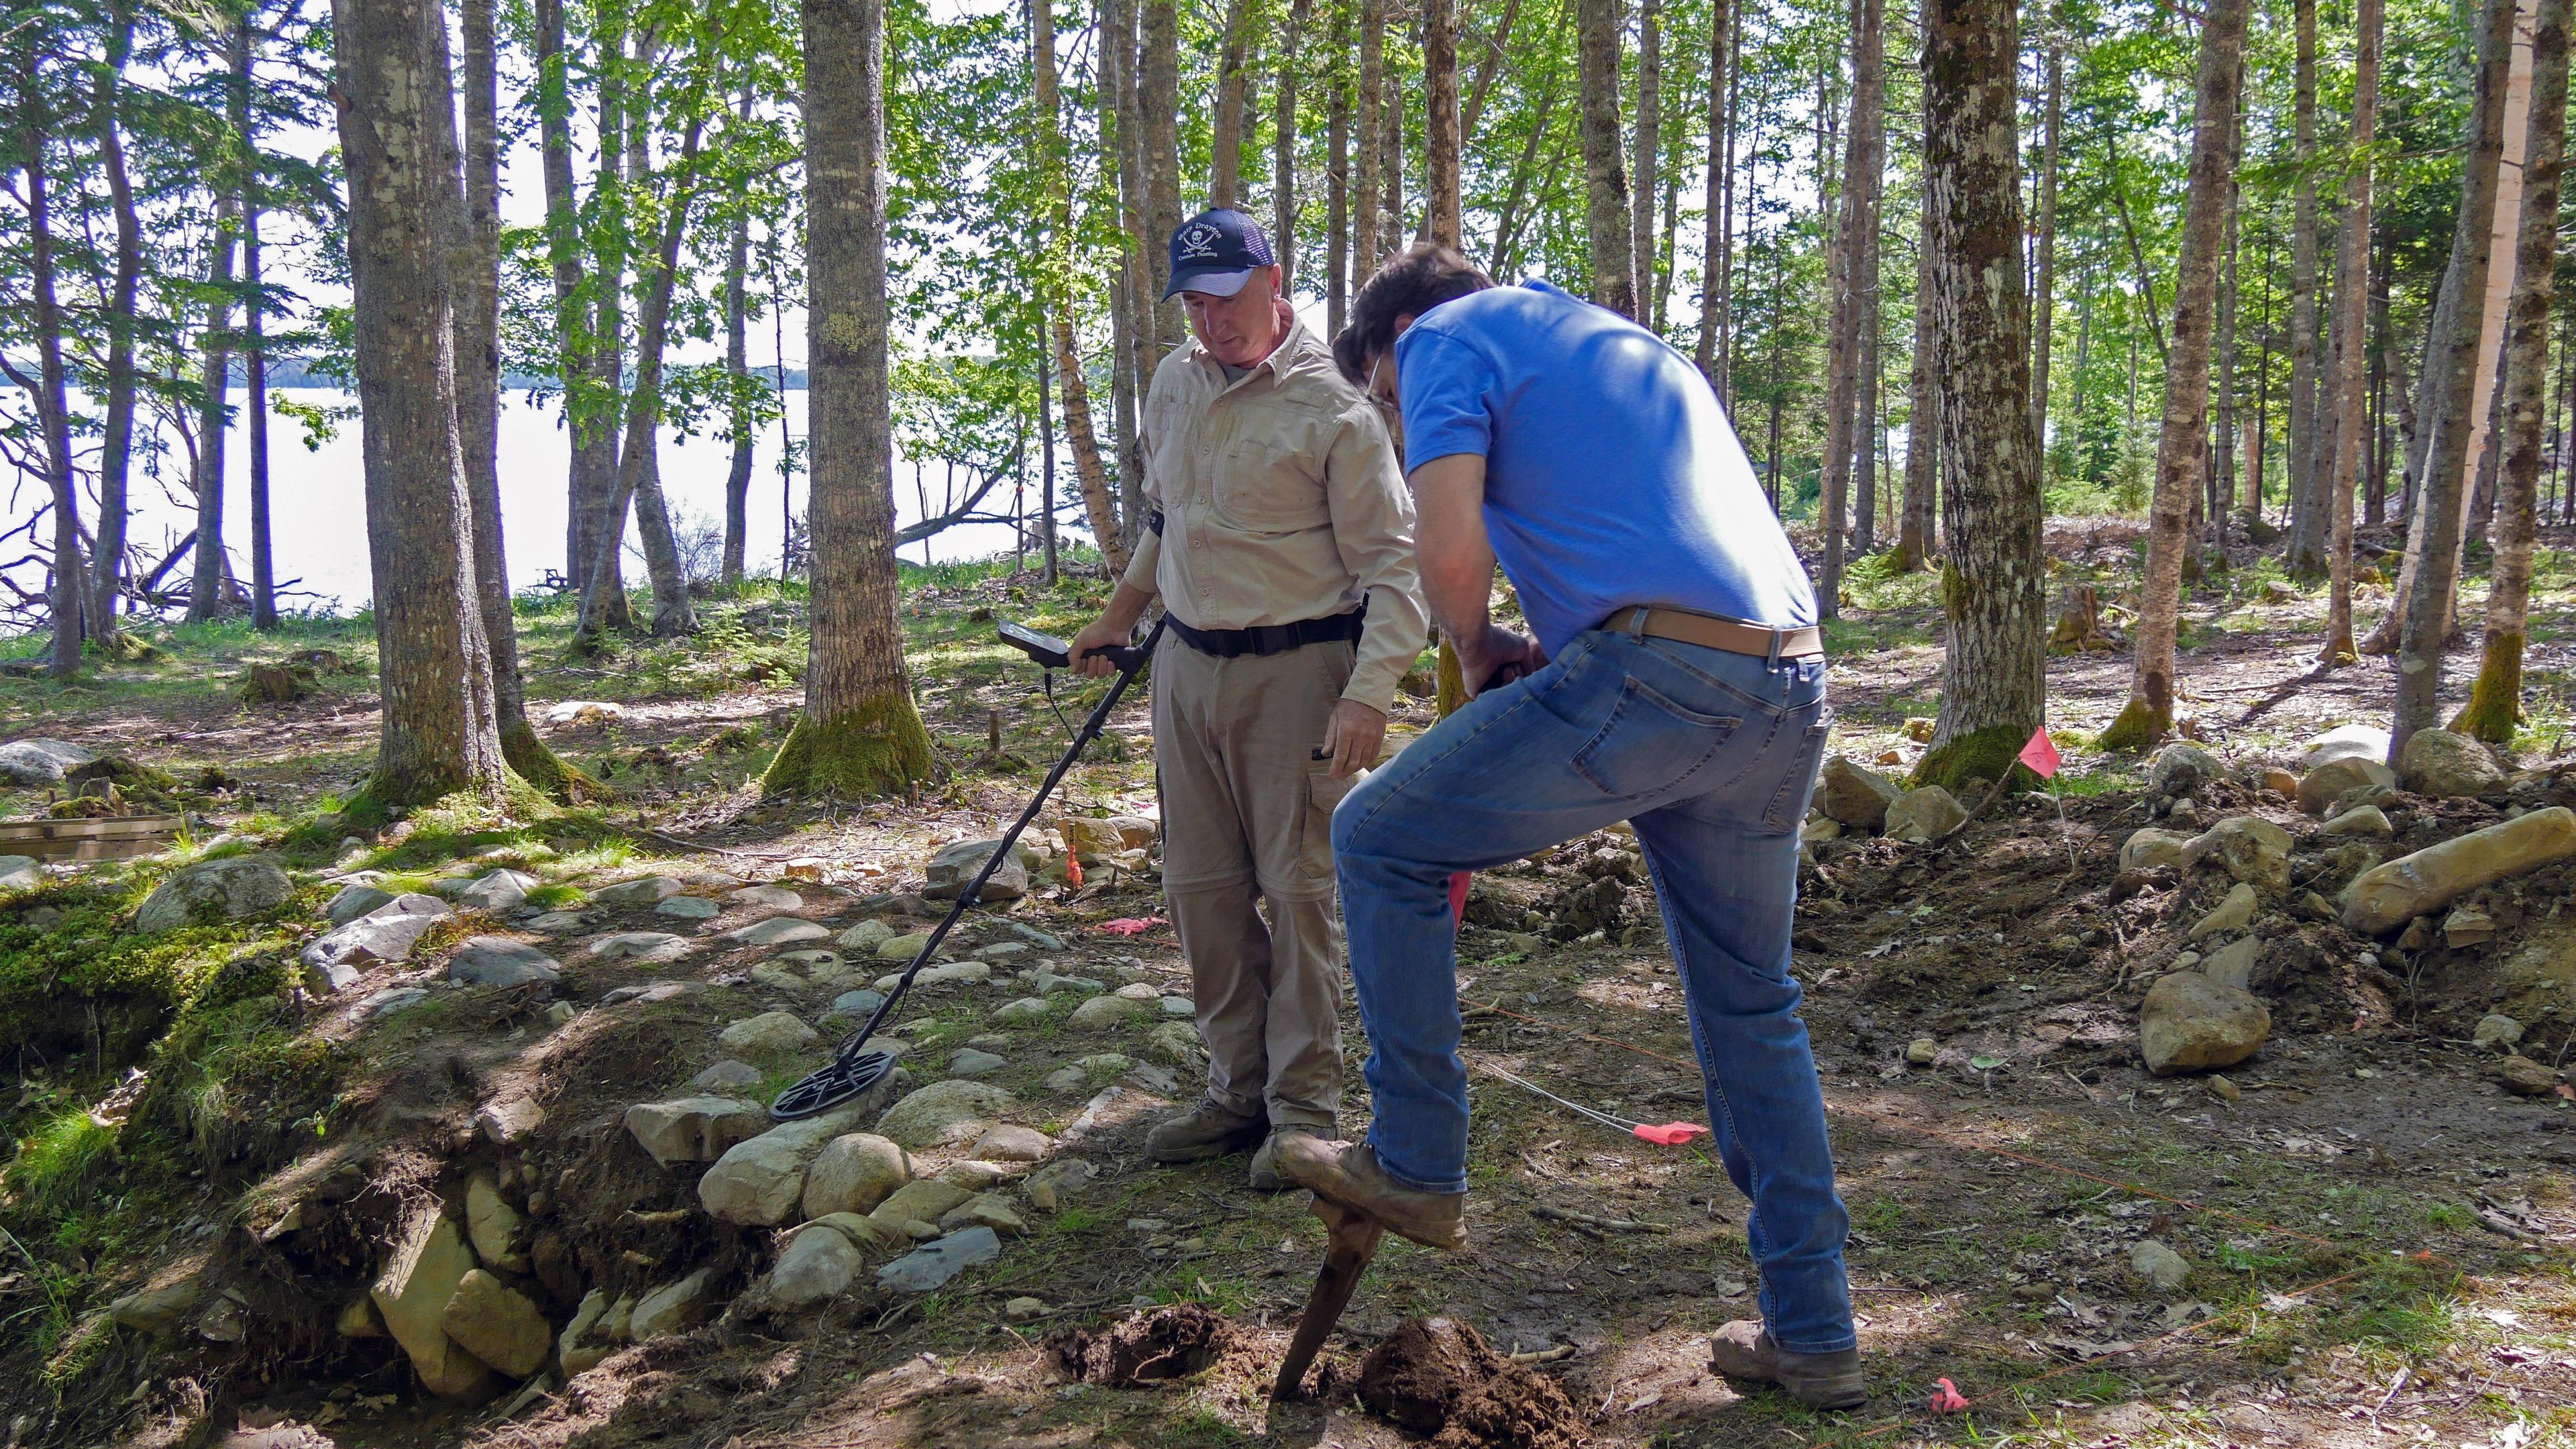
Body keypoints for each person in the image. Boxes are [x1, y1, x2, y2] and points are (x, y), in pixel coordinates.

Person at [1275, 245, 1863, 1409]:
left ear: (1396, 340)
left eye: (1387, 401)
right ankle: (1815, 1333)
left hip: (1661, 678)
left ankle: (1416, 1157)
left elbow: (1449, 545)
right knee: (1752, 1006)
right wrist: (1563, 650)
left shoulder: (1444, 335)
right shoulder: (1624, 346)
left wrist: (1473, 646)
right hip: (1785, 683)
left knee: (1378, 836)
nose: (1398, 419)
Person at [1068, 209, 1428, 1191]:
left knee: (1301, 890)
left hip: (1300, 671)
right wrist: (1118, 617)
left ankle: (1302, 1114)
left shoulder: (1336, 409)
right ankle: (1236, 1092)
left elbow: (1395, 572)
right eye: (1193, 302)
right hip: (1186, 668)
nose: (1211, 321)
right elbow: (1168, 517)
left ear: (1275, 282)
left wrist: (1368, 696)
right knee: (1201, 890)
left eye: (1227, 299)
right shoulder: (1174, 382)